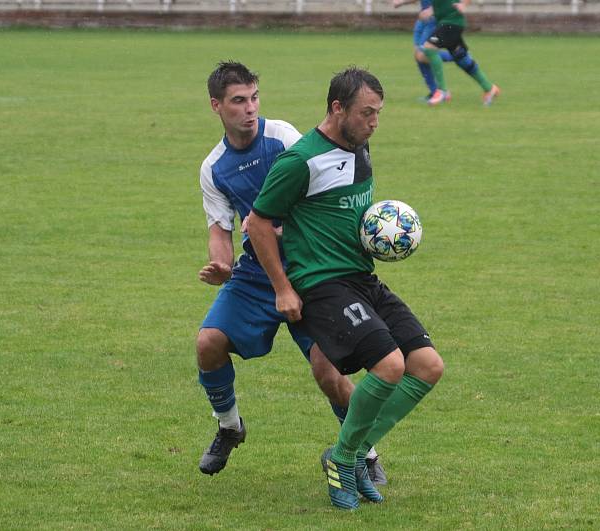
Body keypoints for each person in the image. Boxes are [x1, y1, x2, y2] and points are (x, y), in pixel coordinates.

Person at [247, 68, 444, 510]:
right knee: (390, 366)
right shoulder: (299, 162)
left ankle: (347, 454)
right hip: (321, 284)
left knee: (427, 366)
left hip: (362, 277)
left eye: (378, 113)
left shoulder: (360, 147)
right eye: (366, 113)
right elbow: (258, 223)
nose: (374, 122)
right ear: (337, 108)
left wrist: (379, 228)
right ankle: (347, 458)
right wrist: (283, 288)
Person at [195, 61, 386, 484]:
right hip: (256, 274)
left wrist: (274, 225)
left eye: (254, 98)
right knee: (208, 342)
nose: (250, 109)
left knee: (328, 371)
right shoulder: (213, 167)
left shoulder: (282, 137)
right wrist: (221, 264)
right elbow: (219, 229)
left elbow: (318, 188)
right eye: (238, 101)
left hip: (308, 267)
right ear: (216, 106)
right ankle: (229, 426)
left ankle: (365, 454)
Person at [418, 0, 501, 106]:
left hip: (451, 22)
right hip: (448, 22)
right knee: (461, 58)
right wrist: (431, 10)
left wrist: (464, 4)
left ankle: (442, 91)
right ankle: (489, 88)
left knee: (429, 48)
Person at [393, 0, 455, 102]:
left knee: (423, 54)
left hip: (433, 19)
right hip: (423, 20)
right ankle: (435, 92)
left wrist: (432, 10)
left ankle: (458, 56)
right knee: (418, 55)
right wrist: (401, 2)